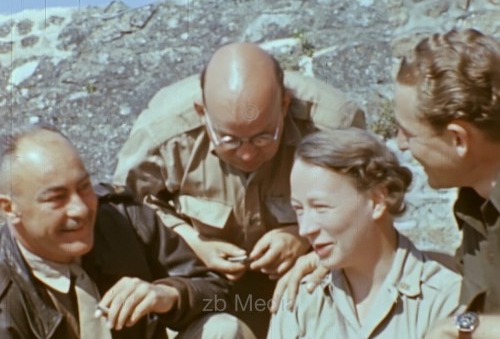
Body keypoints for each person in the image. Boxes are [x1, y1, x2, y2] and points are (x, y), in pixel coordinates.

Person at [113, 42, 365, 337]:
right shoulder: (160, 135)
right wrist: (191, 242)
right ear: (201, 113)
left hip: (309, 285)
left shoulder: (334, 126)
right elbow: (130, 213)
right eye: (229, 140)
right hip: (204, 295)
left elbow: (368, 208)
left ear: (284, 106)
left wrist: (302, 235)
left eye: (262, 138)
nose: (247, 155)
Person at [0, 123, 255, 339]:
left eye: (84, 187)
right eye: (56, 198)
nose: (80, 209)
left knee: (223, 330)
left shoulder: (123, 219)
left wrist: (169, 294)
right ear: (9, 208)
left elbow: (219, 296)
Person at [267, 128, 462, 338]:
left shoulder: (445, 299)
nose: (305, 229)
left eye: (321, 207)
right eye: (298, 209)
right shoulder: (300, 297)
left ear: (377, 200)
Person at [393, 28, 500, 338]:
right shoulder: (475, 201)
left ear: (458, 139)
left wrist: (463, 327)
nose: (400, 144)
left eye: (409, 133)